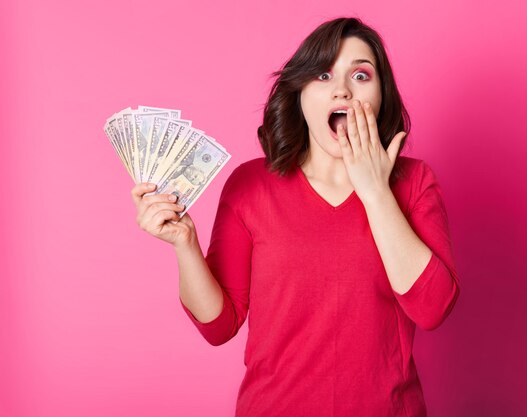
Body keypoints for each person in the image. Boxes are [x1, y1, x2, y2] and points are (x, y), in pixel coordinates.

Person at [131, 16, 460, 417]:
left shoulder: (414, 182)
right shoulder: (250, 186)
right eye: (323, 74)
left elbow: (433, 309)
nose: (342, 89)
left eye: (360, 74)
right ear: (300, 93)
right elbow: (219, 327)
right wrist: (185, 244)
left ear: (381, 95)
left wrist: (375, 191)